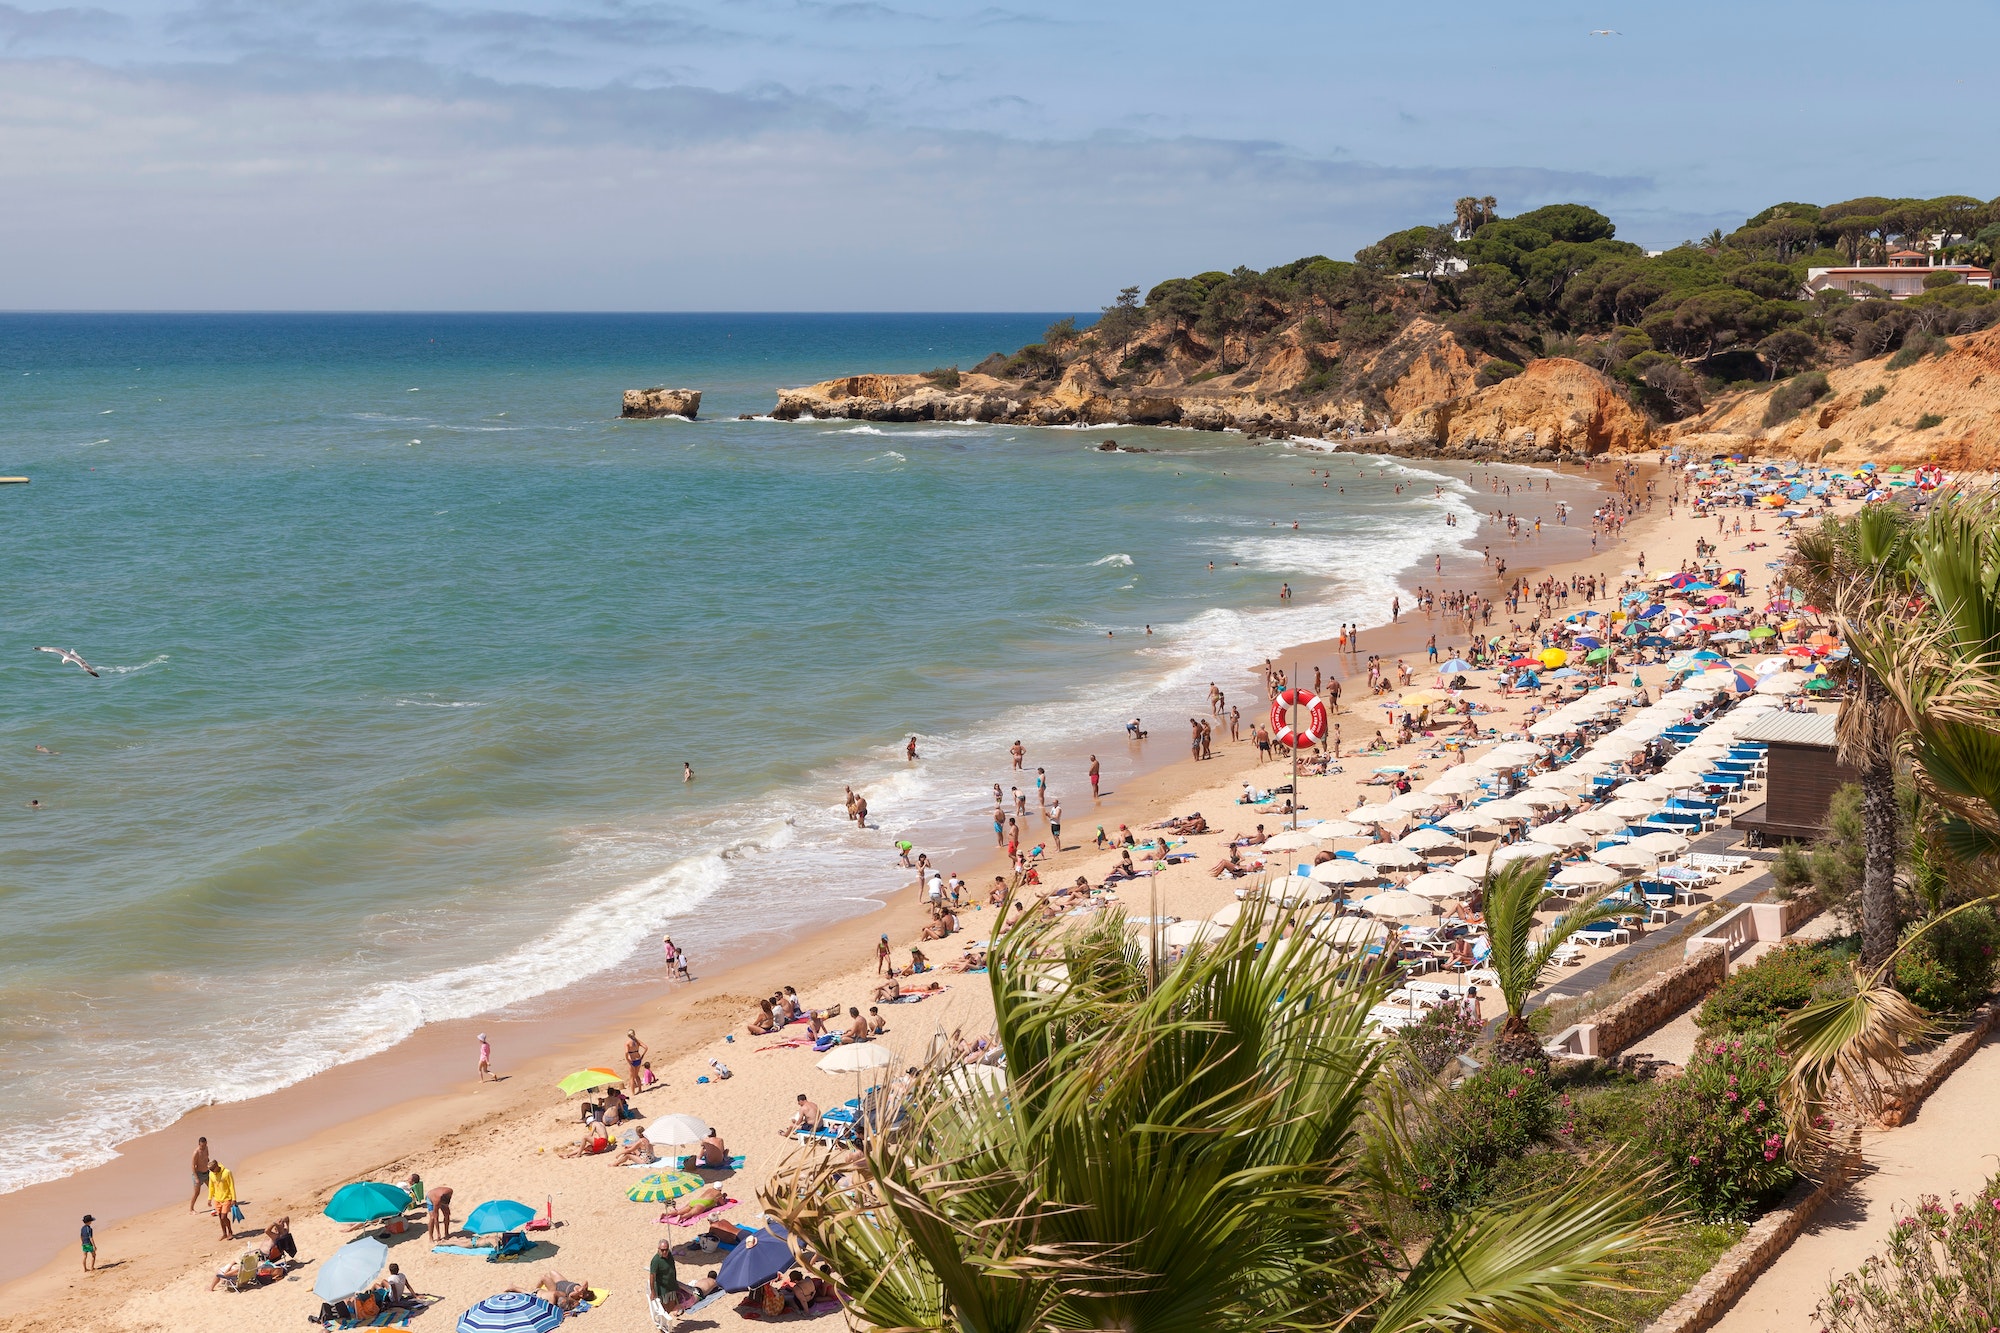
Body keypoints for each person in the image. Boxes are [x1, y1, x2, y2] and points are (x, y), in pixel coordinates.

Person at [508, 1270, 590, 1313]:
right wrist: (583, 1289)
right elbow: (586, 1282)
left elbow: (573, 1299)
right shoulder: (581, 1290)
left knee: (542, 1278)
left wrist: (580, 1294)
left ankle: (516, 1288)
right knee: (551, 1271)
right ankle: (515, 1288)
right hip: (561, 1283)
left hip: (549, 1290)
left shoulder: (569, 1295)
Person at [207, 1159, 238, 1240]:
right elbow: (211, 1186)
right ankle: (224, 1233)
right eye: (210, 1170)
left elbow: (231, 1186)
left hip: (227, 1198)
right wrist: (209, 1198)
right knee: (220, 1217)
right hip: (217, 1199)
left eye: (212, 1169)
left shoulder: (227, 1172)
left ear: (217, 1166)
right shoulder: (211, 1174)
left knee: (224, 1217)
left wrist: (234, 1199)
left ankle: (230, 1231)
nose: (212, 1171)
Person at [650, 1238, 682, 1316]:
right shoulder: (656, 1260)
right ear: (658, 1249)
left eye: (666, 1250)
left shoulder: (670, 1255)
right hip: (663, 1288)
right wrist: (653, 1291)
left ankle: (669, 1315)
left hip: (671, 1285)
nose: (664, 1252)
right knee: (664, 1306)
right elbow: (652, 1277)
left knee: (672, 1303)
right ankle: (665, 1319)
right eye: (662, 1250)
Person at [190, 1135, 211, 1212]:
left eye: (205, 1145)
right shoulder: (196, 1152)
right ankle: (191, 1209)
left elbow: (207, 1158)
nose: (203, 1147)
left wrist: (210, 1167)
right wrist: (196, 1178)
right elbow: (193, 1166)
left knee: (213, 1188)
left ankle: (220, 1203)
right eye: (202, 1146)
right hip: (198, 1175)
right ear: (199, 1144)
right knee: (196, 1193)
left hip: (207, 1173)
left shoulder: (206, 1148)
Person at [624, 1030, 649, 1094]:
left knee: (632, 1077)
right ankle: (640, 1089)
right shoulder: (637, 1041)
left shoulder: (627, 1043)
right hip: (638, 1059)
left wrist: (627, 1059)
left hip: (632, 1060)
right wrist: (642, 1055)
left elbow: (626, 1052)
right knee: (636, 1075)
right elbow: (646, 1047)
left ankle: (633, 1093)